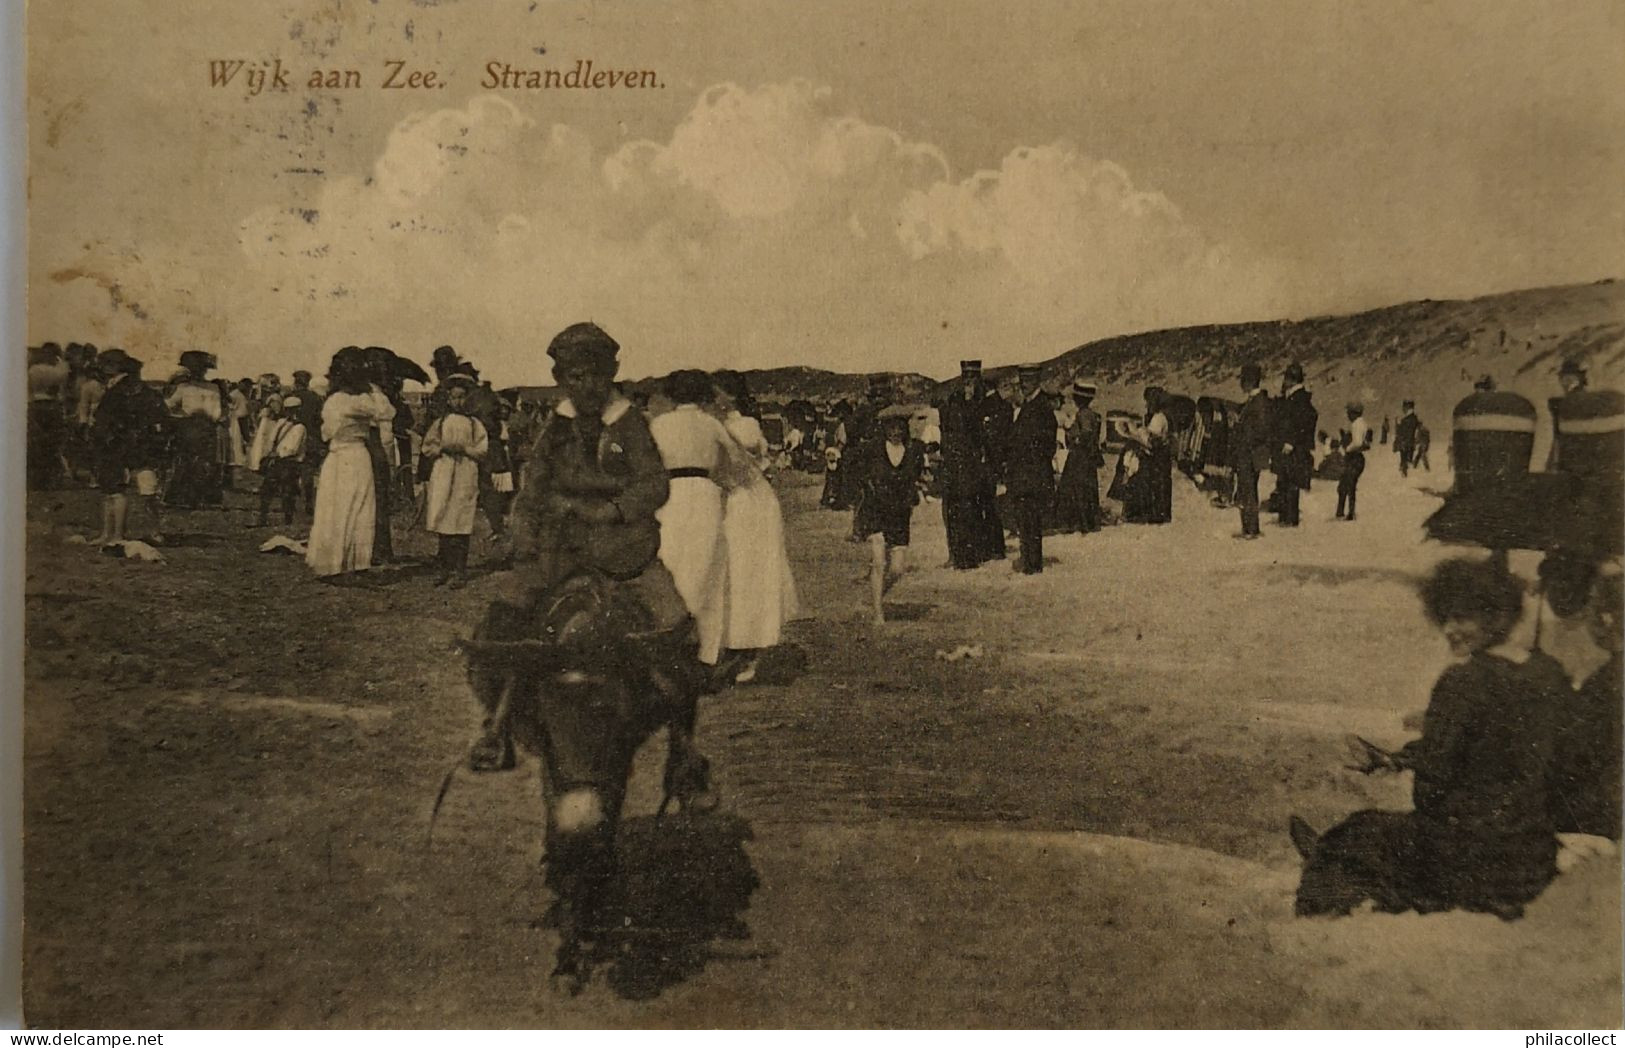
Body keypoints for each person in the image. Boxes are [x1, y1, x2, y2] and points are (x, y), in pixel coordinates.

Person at [487, 321, 712, 805]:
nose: (584, 386)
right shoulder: (556, 426)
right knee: (500, 622)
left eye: (593, 375)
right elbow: (534, 488)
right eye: (572, 376)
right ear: (561, 378)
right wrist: (523, 534)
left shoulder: (630, 425)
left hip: (624, 552)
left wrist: (612, 510)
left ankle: (684, 756)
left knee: (678, 631)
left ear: (610, 374)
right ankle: (497, 726)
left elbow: (655, 485)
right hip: (559, 551)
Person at [1294, 557, 1564, 919]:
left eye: (1463, 617)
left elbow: (1433, 786)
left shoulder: (1461, 682)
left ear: (1495, 618)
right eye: (1447, 617)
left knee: (1361, 828)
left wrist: (1416, 759)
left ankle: (1325, 875)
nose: (1451, 629)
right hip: (1533, 851)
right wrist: (1404, 756)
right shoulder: (1548, 674)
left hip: (1472, 856)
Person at [712, 370, 800, 682]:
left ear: (730, 396)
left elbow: (744, 454)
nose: (713, 396)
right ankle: (736, 648)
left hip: (749, 504)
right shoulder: (723, 425)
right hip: (737, 500)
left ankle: (751, 651)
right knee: (734, 573)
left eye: (718, 391)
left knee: (748, 572)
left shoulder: (742, 425)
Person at [648, 369, 736, 668]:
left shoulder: (659, 424)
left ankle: (672, 646)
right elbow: (733, 461)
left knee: (671, 563)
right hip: (704, 494)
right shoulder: (711, 424)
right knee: (708, 570)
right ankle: (706, 655)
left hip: (669, 495)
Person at [306, 347, 395, 581]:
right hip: (353, 455)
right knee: (355, 508)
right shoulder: (357, 400)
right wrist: (373, 389)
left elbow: (329, 431)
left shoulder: (335, 400)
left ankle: (341, 563)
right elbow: (385, 412)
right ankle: (349, 563)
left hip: (341, 456)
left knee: (342, 509)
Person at [87, 349, 169, 546]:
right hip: (142, 446)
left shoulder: (114, 391)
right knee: (147, 491)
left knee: (113, 490)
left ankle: (112, 534)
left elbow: (102, 419)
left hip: (116, 444)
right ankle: (153, 531)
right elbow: (162, 417)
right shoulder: (148, 392)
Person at [421, 373, 490, 587]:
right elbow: (427, 447)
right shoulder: (440, 423)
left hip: (465, 472)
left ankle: (460, 570)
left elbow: (482, 449)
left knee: (461, 518)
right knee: (443, 517)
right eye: (454, 398)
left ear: (468, 399)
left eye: (462, 397)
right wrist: (442, 448)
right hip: (444, 470)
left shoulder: (474, 424)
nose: (458, 402)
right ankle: (444, 568)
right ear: (448, 399)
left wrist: (466, 449)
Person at [855, 413, 924, 623]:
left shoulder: (913, 452)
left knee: (897, 569)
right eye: (891, 428)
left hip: (899, 514)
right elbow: (857, 472)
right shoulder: (873, 450)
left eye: (900, 428)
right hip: (875, 511)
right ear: (884, 429)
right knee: (878, 562)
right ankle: (878, 612)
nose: (896, 433)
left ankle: (877, 594)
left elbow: (915, 478)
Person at [937, 360, 1006, 567]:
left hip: (978, 464)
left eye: (973, 377)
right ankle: (959, 553)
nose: (969, 381)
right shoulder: (956, 398)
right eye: (966, 377)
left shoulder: (986, 401)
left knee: (979, 508)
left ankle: (982, 551)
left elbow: (986, 432)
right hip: (957, 461)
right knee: (957, 508)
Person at [1004, 364, 1056, 572]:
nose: (1024, 385)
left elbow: (1047, 443)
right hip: (1024, 474)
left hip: (1033, 473)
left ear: (1036, 381)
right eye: (1022, 381)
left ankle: (1032, 564)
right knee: (1025, 519)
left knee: (1031, 519)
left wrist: (1030, 459)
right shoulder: (1027, 406)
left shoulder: (1042, 407)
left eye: (1028, 381)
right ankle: (1029, 560)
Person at [164, 351, 226, 508]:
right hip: (203, 427)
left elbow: (169, 405)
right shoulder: (212, 388)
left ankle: (187, 497)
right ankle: (198, 497)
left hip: (192, 427)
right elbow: (218, 412)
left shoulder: (186, 387)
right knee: (201, 462)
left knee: (190, 461)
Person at [1053, 379, 1104, 535]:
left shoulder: (1083, 414)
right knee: (1085, 488)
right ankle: (1087, 521)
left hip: (1080, 455)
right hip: (1086, 456)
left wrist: (1075, 438)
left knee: (1075, 487)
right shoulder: (1092, 414)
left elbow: (1086, 433)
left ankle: (1078, 522)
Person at [251, 394, 307, 528]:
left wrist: (278, 453)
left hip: (290, 462)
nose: (291, 413)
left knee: (287, 492)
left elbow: (293, 448)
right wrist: (271, 453)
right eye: (289, 410)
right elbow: (271, 439)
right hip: (277, 461)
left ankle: (288, 519)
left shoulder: (300, 427)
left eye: (294, 410)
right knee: (267, 489)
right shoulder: (281, 423)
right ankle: (262, 517)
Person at [1271, 363, 1317, 526]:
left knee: (1290, 481)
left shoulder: (1298, 398)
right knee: (1285, 480)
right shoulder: (1297, 397)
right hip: (1292, 445)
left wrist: (1291, 441)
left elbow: (1299, 422)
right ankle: (1286, 517)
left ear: (1291, 379)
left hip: (1293, 447)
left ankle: (1290, 518)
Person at [1231, 364, 1273, 539]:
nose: (1241, 384)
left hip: (1250, 453)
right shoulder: (1254, 401)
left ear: (1248, 382)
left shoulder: (1258, 403)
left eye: (1242, 380)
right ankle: (1249, 527)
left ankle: (1251, 529)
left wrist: (1241, 431)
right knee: (1247, 489)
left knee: (1248, 489)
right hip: (1249, 452)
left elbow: (1261, 429)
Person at [27, 343, 70, 490]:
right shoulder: (58, 371)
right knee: (53, 443)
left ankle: (37, 479)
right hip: (52, 405)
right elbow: (62, 383)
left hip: (36, 404)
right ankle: (51, 479)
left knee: (37, 442)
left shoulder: (33, 370)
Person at [288, 369, 326, 518]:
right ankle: (308, 503)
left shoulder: (291, 397)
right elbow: (320, 419)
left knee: (291, 470)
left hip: (293, 437)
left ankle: (291, 505)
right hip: (312, 438)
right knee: (308, 472)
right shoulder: (316, 398)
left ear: (296, 382)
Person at [1335, 402, 1372, 521]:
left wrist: (1347, 449)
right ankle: (1345, 512)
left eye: (1348, 412)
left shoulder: (1356, 424)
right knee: (1348, 484)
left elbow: (1357, 443)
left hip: (1354, 457)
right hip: (1358, 458)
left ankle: (1346, 512)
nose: (1347, 415)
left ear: (1353, 413)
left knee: (1347, 484)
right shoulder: (1362, 423)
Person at [1394, 400, 1420, 476]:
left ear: (1407, 407)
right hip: (1408, 443)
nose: (1403, 409)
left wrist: (1398, 425)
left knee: (1405, 461)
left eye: (1404, 407)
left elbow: (1402, 432)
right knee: (1405, 461)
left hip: (1406, 444)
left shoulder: (1407, 420)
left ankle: (1404, 473)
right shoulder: (1412, 418)